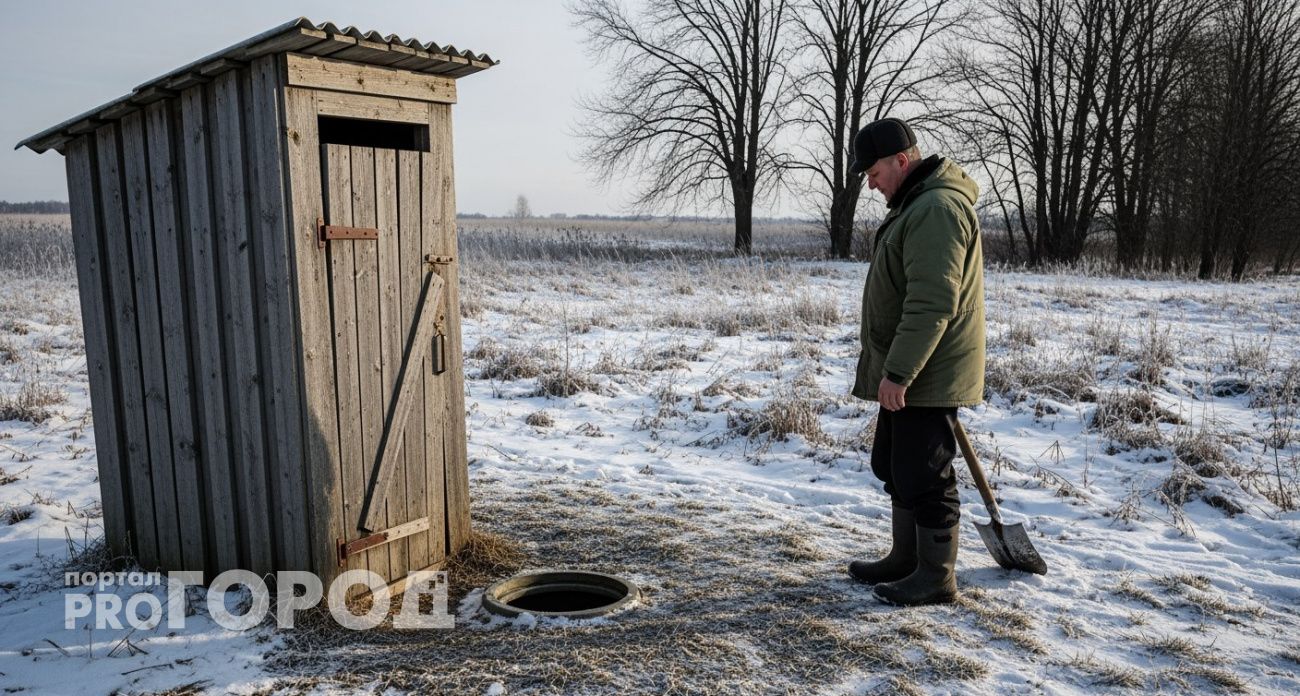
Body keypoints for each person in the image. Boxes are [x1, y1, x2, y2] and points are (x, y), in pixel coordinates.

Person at [845, 117, 985, 606]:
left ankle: (935, 576)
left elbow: (931, 302)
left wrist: (901, 372)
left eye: (875, 172)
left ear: (901, 160)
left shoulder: (935, 209)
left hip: (927, 372)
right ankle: (905, 558)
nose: (871, 182)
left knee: (926, 474)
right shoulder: (916, 204)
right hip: (909, 370)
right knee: (895, 465)